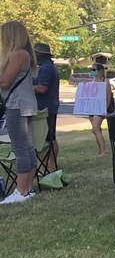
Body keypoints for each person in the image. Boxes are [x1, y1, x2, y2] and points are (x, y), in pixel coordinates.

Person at [0, 21, 39, 203]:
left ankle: (21, 191)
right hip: (26, 104)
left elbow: (5, 82)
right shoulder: (25, 54)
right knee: (28, 147)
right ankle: (28, 188)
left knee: (20, 148)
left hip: (17, 105)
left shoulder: (17, 54)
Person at [32, 42, 60, 171]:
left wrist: (25, 88)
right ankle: (49, 167)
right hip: (49, 107)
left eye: (35, 54)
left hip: (45, 109)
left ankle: (48, 168)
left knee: (47, 140)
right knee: (48, 139)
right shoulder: (48, 66)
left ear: (40, 55)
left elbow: (42, 88)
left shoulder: (45, 68)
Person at [88, 62, 114, 156]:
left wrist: (105, 108)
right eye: (91, 70)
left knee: (94, 129)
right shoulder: (92, 81)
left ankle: (103, 151)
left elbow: (108, 96)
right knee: (97, 130)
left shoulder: (105, 81)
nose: (92, 71)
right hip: (92, 108)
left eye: (94, 70)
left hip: (100, 108)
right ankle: (100, 150)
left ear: (100, 71)